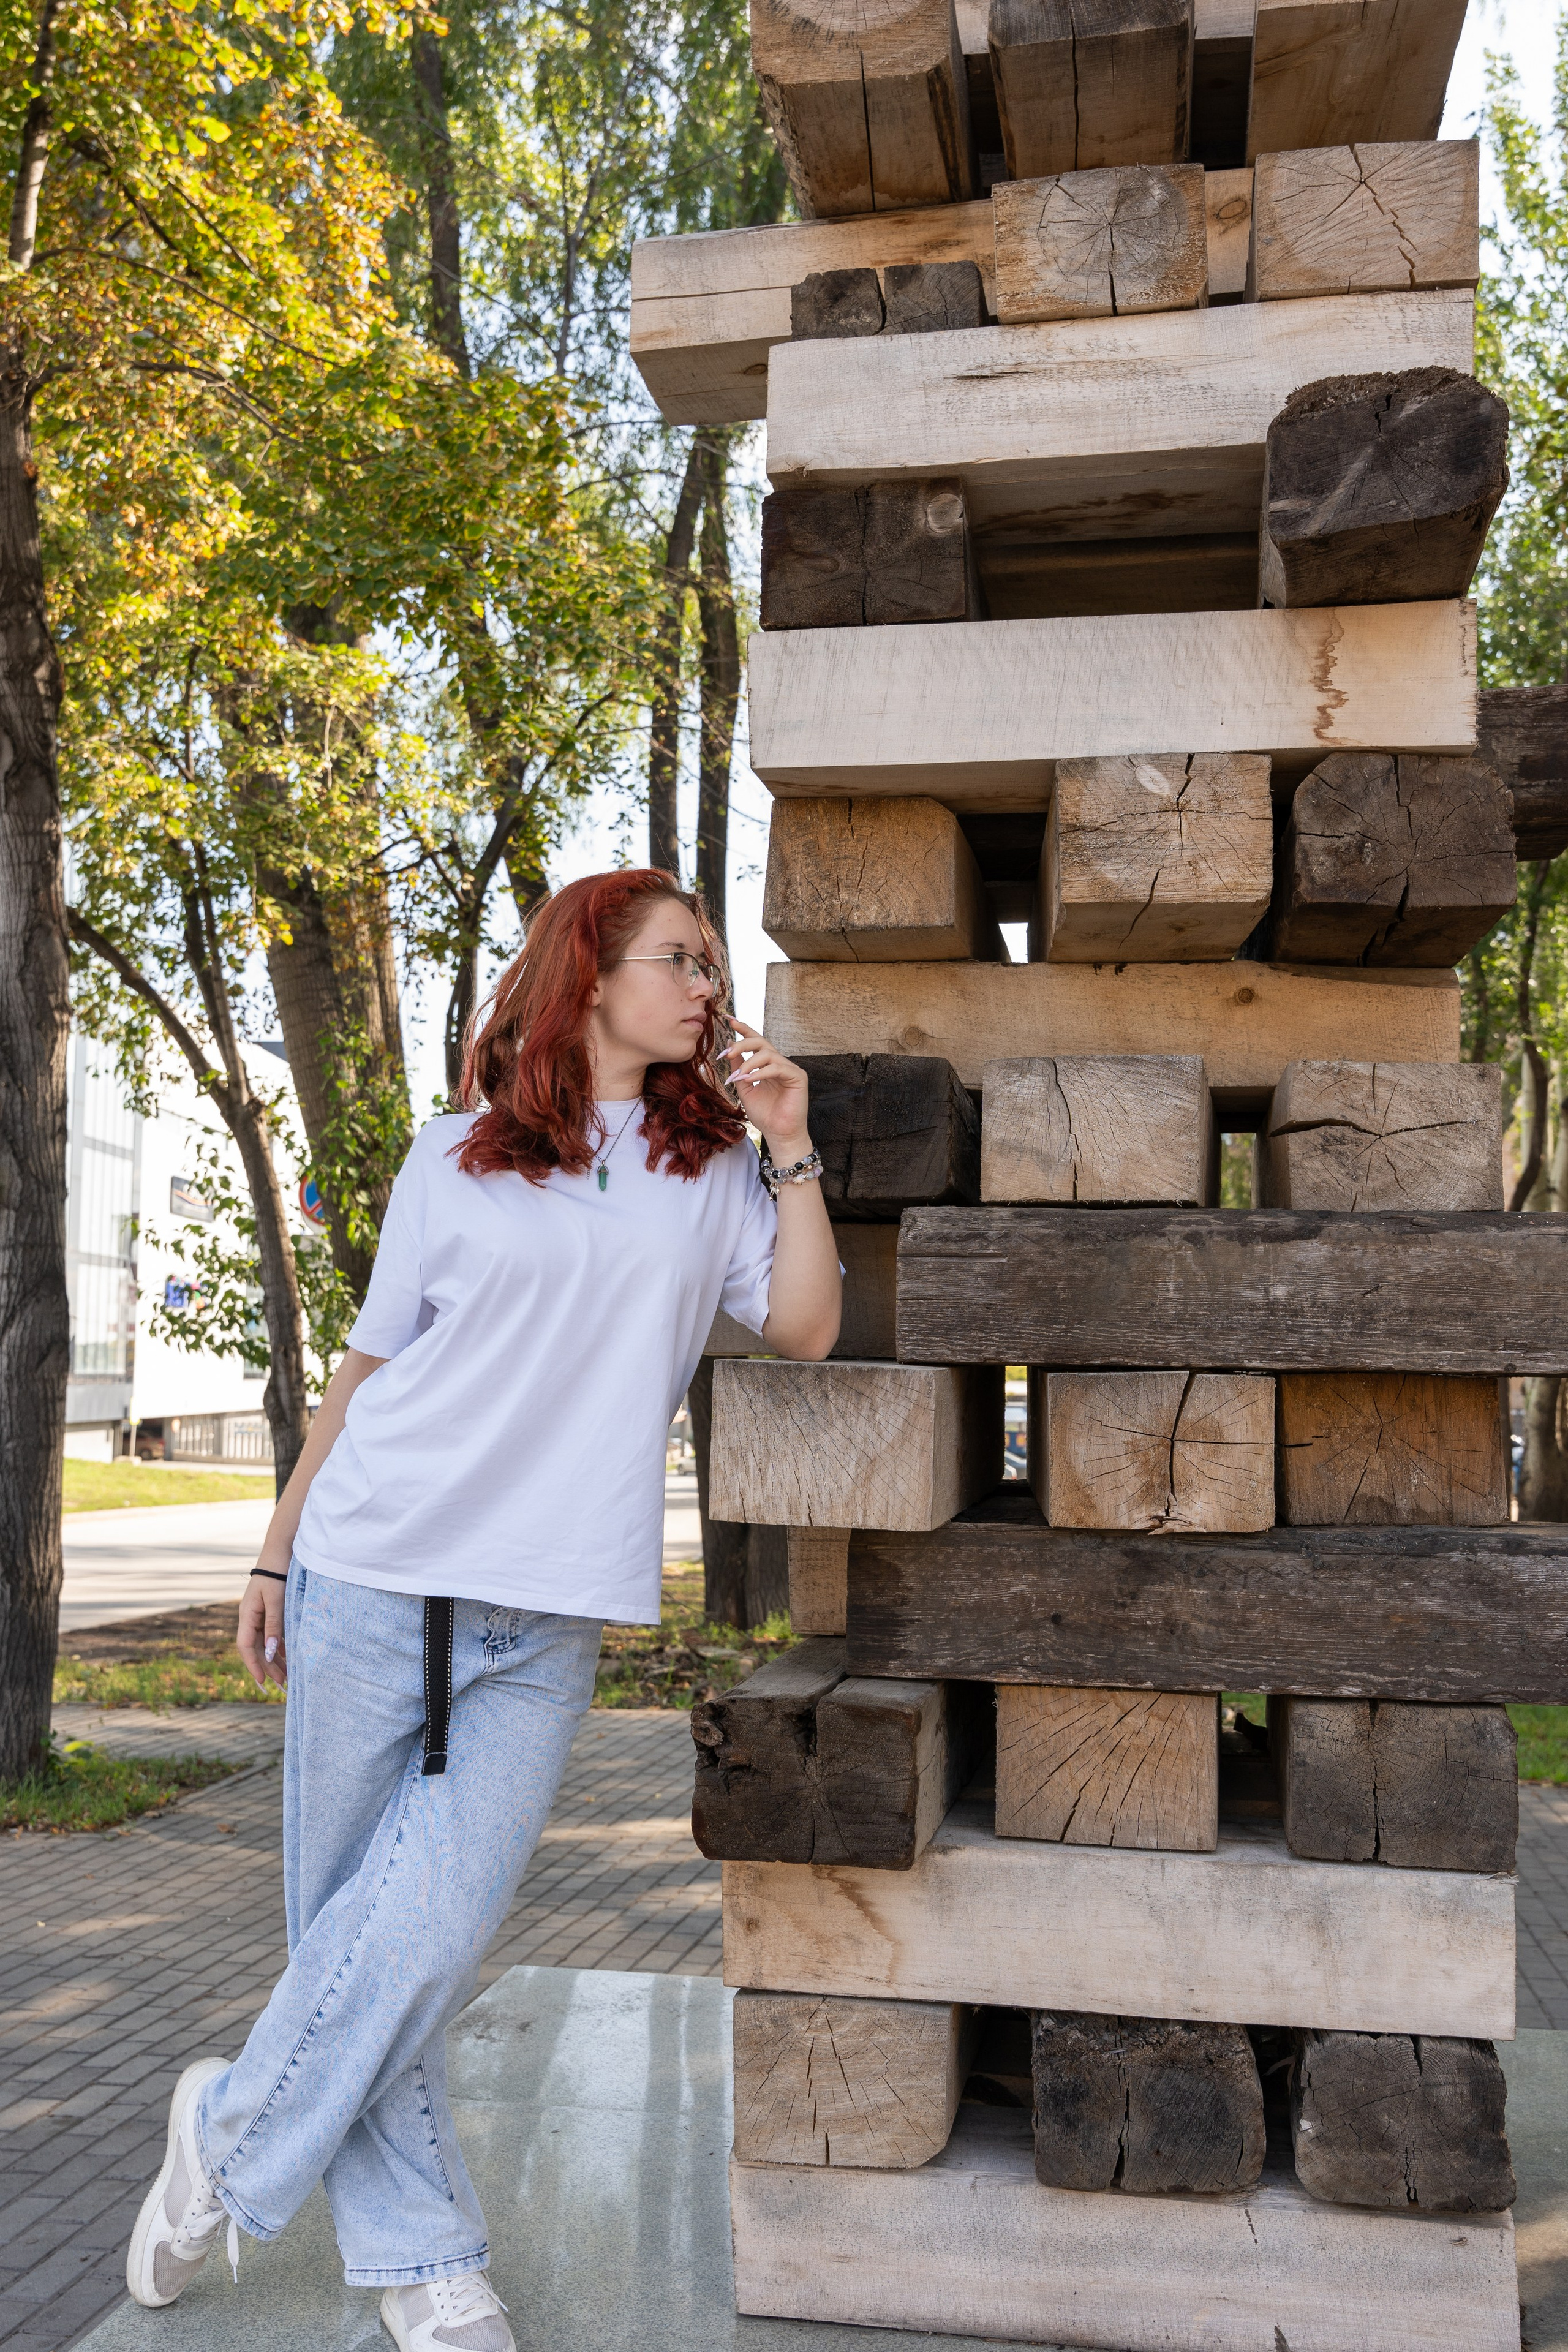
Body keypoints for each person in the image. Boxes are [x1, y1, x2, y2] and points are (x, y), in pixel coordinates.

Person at [125, 870, 840, 2352]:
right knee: (355, 1942)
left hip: (546, 1612)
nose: (707, 987)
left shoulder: (710, 1170)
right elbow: (369, 1371)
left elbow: (805, 1326)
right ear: (587, 975)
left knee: (425, 1937)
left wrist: (790, 1148)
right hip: (374, 1574)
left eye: (711, 966)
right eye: (678, 961)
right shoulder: (452, 1157)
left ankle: (231, 2124)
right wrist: (274, 1548)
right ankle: (428, 2266)